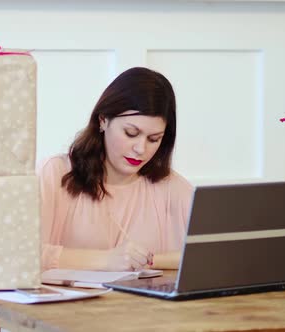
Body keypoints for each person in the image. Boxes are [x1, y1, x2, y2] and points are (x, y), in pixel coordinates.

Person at [38, 67, 193, 272]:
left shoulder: (174, 188)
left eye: (154, 139)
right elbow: (19, 256)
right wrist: (107, 260)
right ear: (103, 120)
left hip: (144, 305)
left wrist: (149, 260)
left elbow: (208, 257)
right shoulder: (55, 174)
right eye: (131, 133)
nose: (141, 149)